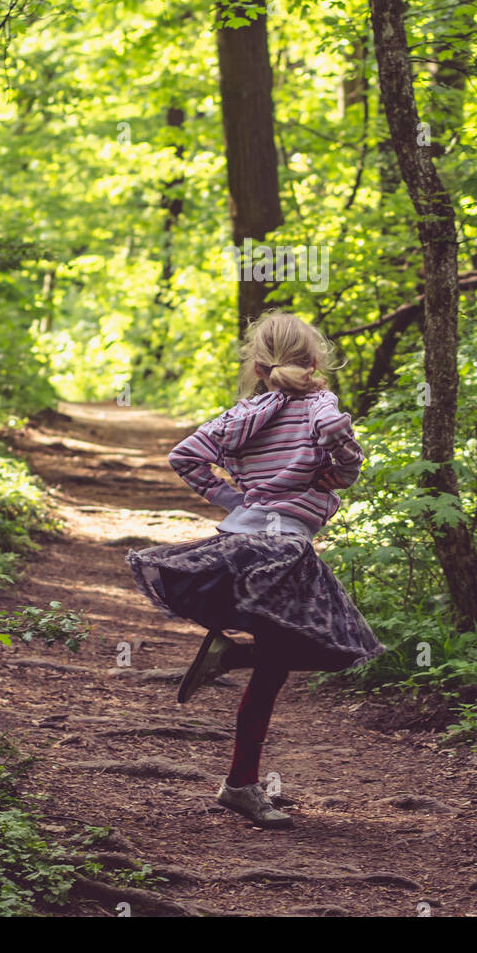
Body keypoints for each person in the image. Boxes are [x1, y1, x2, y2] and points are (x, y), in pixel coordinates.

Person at [126, 311, 384, 829]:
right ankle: (239, 771)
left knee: (279, 661)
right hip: (284, 548)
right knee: (340, 651)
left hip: (243, 542)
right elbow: (348, 473)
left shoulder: (244, 413)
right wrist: (339, 451)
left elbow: (186, 456)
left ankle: (241, 775)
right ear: (314, 362)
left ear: (260, 367)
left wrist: (236, 499)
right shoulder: (320, 404)